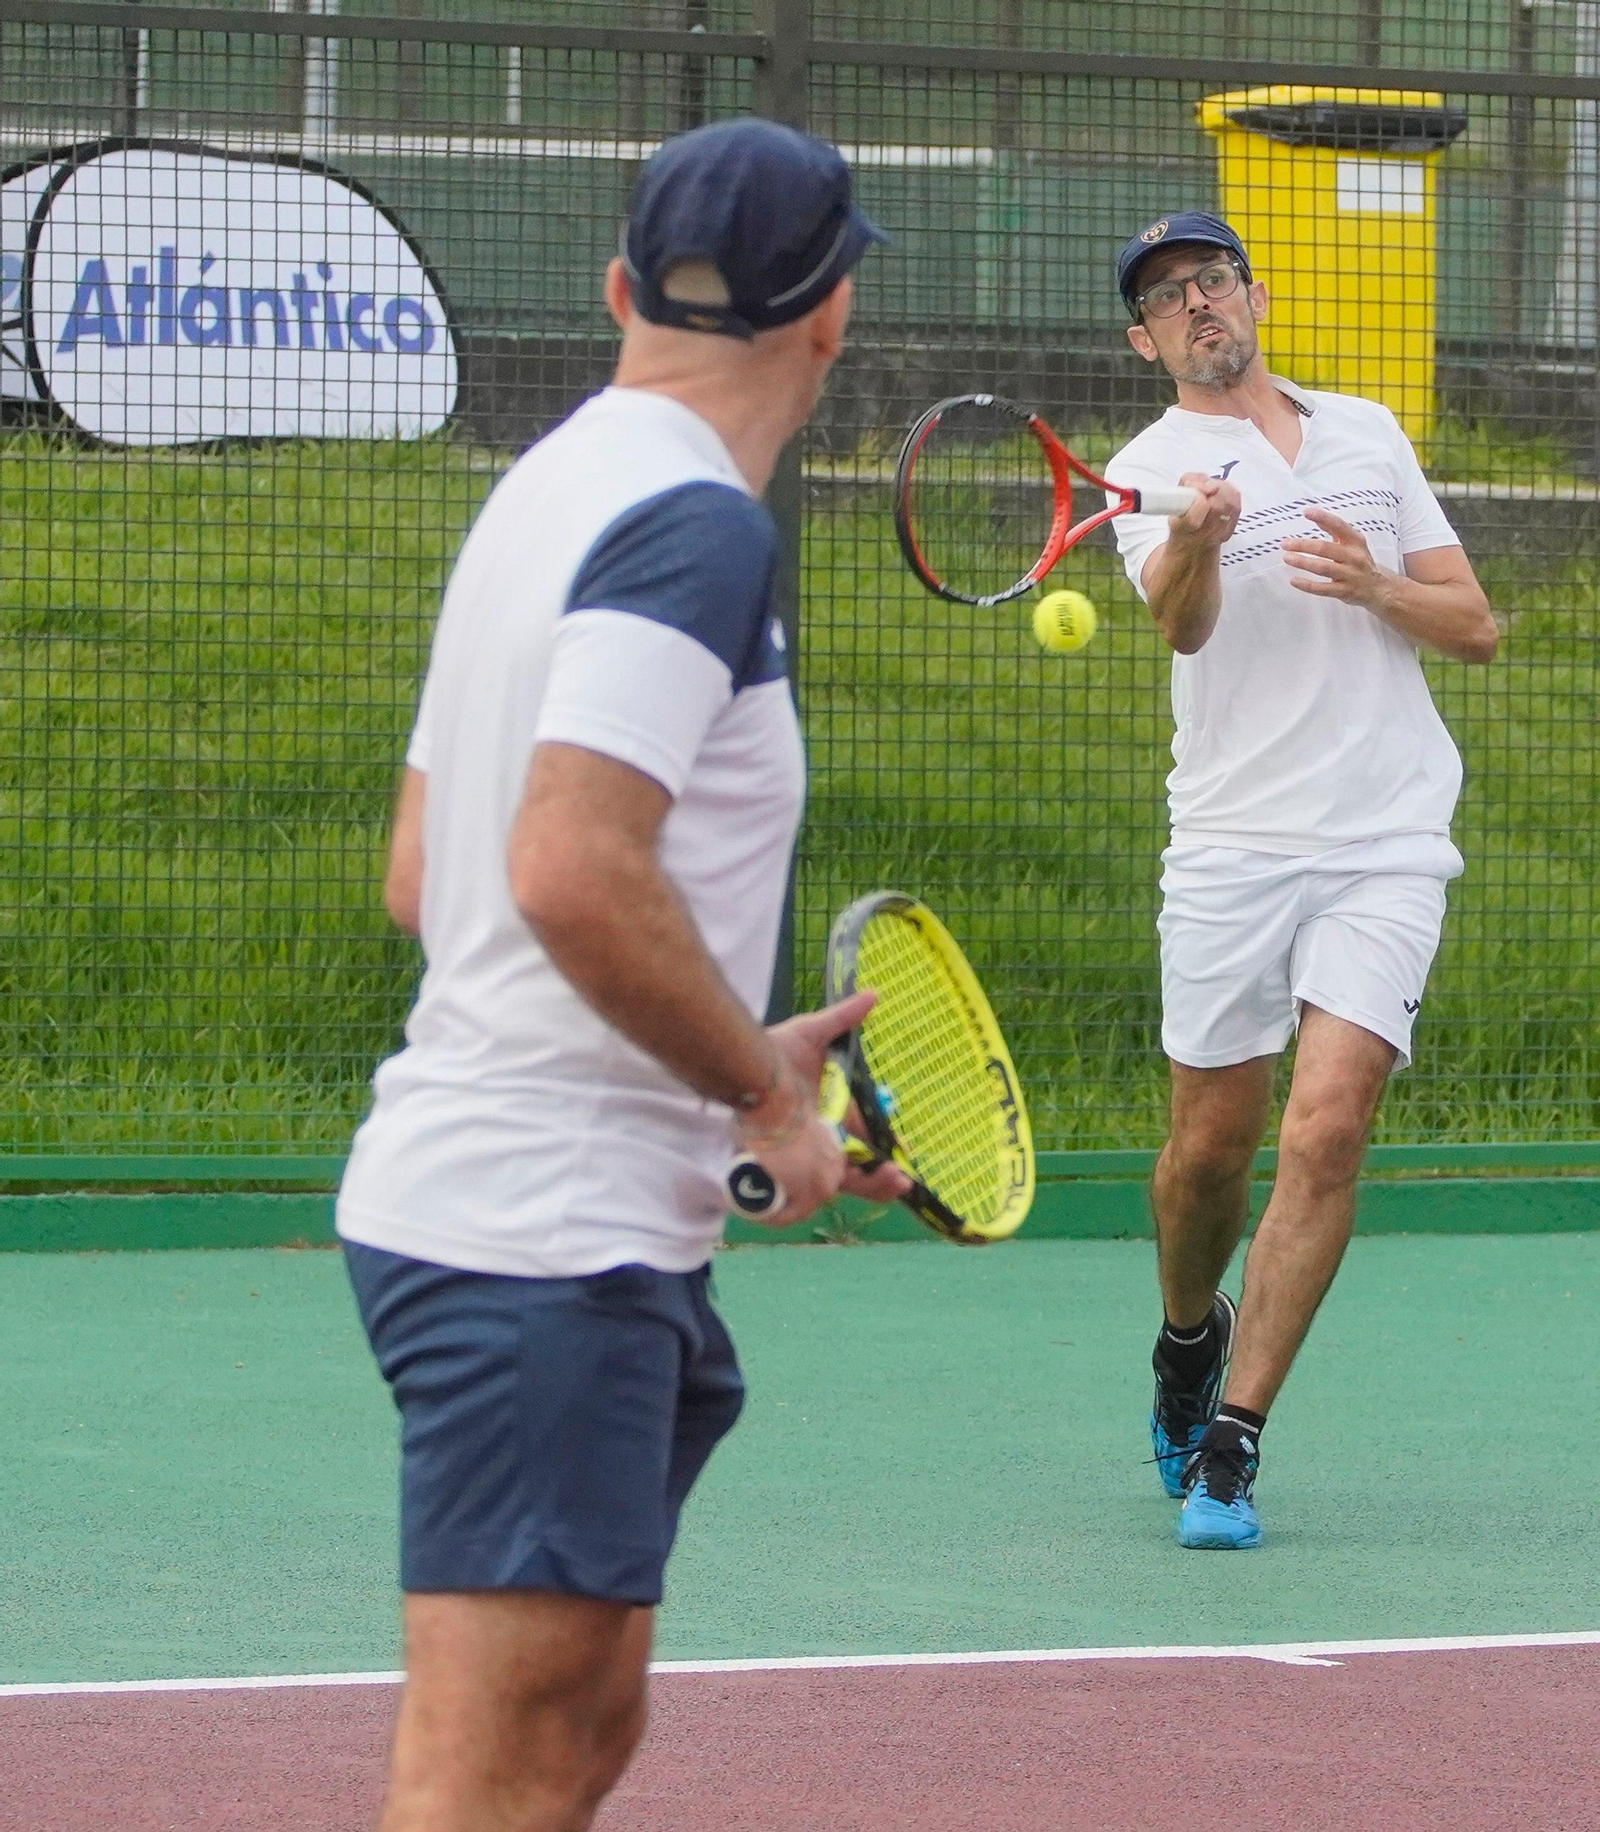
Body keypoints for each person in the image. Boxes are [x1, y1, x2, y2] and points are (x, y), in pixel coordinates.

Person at [335, 118, 902, 1832]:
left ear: (615, 291)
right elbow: (569, 868)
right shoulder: (694, 528)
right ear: (835, 313)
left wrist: (718, 1038)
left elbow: (430, 874)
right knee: (494, 1773)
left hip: (556, 1216)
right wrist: (758, 1088)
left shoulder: (545, 488)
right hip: (536, 1235)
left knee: (578, 1731)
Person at [1105, 211, 1498, 1551]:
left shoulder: (1369, 435)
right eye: (1167, 297)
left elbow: (1475, 625)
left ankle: (1232, 1442)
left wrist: (1377, 587)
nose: (1196, 304)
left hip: (1387, 839)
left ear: (1255, 293)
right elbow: (1182, 626)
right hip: (1232, 845)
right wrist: (1202, 537)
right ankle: (1185, 1340)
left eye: (1210, 279)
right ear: (1146, 341)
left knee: (1328, 1131)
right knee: (1208, 1155)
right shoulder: (1145, 471)